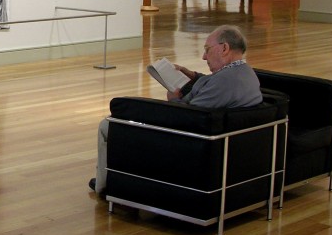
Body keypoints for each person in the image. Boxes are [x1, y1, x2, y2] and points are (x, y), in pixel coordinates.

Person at [90, 25, 263, 195]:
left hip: (183, 137)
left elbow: (190, 115)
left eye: (207, 49)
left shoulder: (225, 82)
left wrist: (174, 101)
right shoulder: (244, 73)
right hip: (213, 136)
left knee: (108, 125)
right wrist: (193, 76)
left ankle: (105, 185)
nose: (204, 56)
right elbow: (213, 89)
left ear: (224, 48)